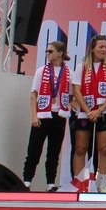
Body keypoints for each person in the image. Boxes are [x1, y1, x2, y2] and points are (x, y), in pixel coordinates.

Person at [72, 34, 106, 193]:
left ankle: (102, 185)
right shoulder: (82, 66)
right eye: (101, 47)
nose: (104, 50)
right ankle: (80, 183)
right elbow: (76, 92)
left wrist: (99, 110)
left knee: (104, 148)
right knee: (81, 148)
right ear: (93, 49)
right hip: (84, 113)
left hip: (105, 111)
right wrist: (88, 111)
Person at [24, 40, 72, 190]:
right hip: (43, 114)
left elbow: (71, 95)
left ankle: (50, 183)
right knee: (34, 150)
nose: (47, 54)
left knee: (54, 151)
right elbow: (33, 95)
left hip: (59, 115)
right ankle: (27, 180)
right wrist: (34, 116)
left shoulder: (69, 73)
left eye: (50, 51)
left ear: (60, 53)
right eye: (46, 51)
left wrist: (63, 105)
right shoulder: (41, 71)